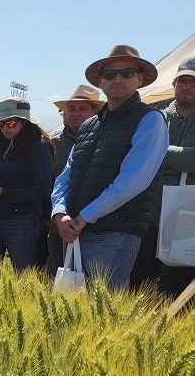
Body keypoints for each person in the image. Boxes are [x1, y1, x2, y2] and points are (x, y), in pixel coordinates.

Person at [51, 45, 169, 291]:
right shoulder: (89, 125)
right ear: (100, 82)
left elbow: (133, 181)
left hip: (114, 234)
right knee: (71, 315)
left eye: (127, 73)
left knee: (102, 317)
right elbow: (67, 175)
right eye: (110, 74)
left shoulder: (150, 120)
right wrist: (60, 213)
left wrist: (84, 217)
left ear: (139, 78)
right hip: (74, 231)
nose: (118, 79)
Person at [0, 98, 54, 271]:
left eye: (10, 123)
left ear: (25, 122)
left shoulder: (38, 147)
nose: (4, 128)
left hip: (21, 220)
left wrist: (4, 193)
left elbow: (43, 190)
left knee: (24, 275)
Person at [141, 58, 195, 297]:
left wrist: (160, 150)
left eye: (193, 82)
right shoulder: (157, 117)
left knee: (177, 282)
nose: (187, 86)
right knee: (141, 278)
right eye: (183, 81)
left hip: (187, 215)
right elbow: (141, 153)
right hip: (150, 212)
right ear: (174, 83)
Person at [46, 85, 104, 275]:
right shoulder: (53, 144)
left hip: (96, 227)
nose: (76, 114)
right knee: (59, 280)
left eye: (82, 109)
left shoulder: (105, 141)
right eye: (71, 109)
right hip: (58, 226)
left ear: (95, 112)